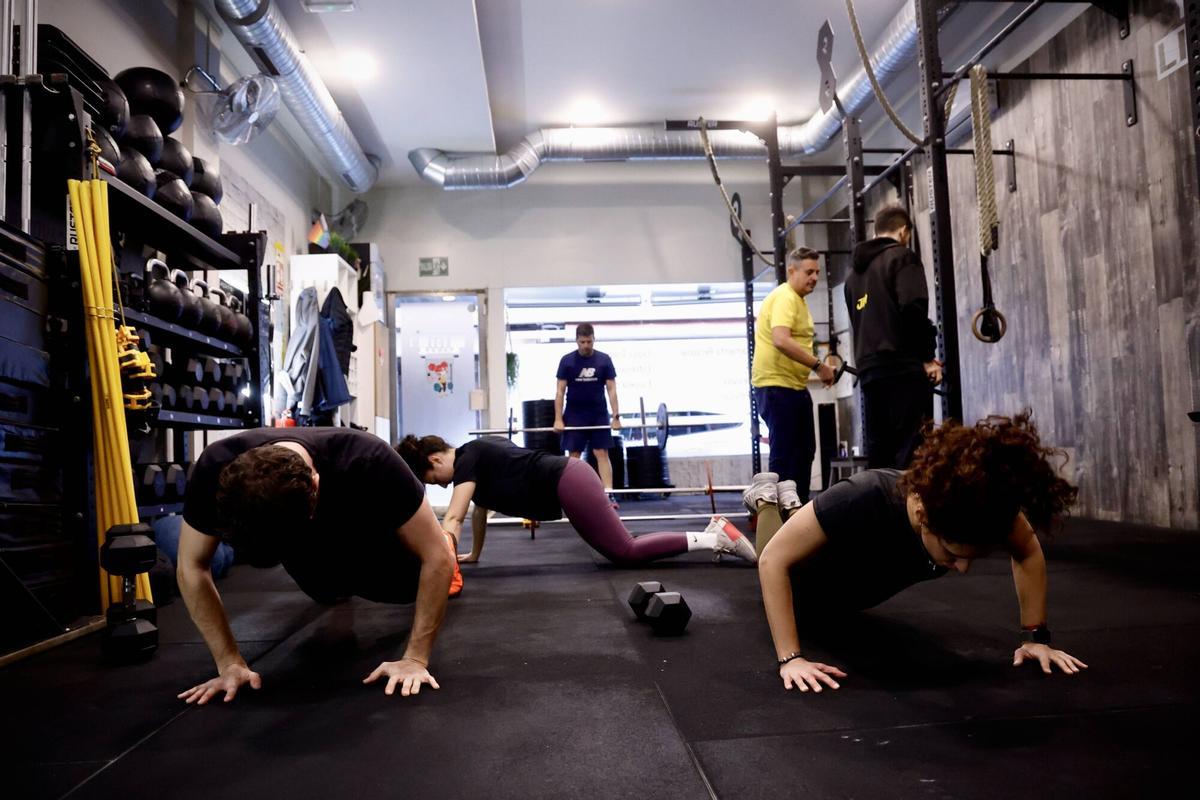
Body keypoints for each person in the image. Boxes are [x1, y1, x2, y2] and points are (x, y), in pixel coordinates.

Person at [757, 412, 1088, 693]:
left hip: (848, 589)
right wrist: (791, 658)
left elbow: (1027, 549)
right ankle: (765, 499)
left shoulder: (978, 506)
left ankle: (794, 505)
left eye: (973, 557)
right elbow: (774, 561)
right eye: (952, 553)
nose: (962, 568)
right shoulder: (863, 496)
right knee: (766, 550)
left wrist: (1035, 638)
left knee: (806, 528)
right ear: (921, 515)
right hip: (805, 587)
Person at [174, 428, 456, 705]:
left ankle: (446, 535)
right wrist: (228, 663)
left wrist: (415, 659)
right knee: (324, 590)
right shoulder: (214, 468)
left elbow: (436, 558)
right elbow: (192, 566)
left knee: (412, 582)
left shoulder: (369, 460)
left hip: (375, 534)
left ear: (317, 483)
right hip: (311, 552)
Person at [396, 434, 758, 566]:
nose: (441, 487)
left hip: (570, 481)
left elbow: (455, 517)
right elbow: (478, 510)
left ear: (436, 460)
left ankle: (715, 537)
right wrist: (473, 555)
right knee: (622, 549)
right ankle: (713, 533)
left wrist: (440, 556)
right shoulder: (473, 462)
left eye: (433, 480)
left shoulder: (468, 457)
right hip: (572, 481)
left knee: (626, 552)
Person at [844, 204, 944, 469]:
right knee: (914, 452)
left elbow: (859, 323)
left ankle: (883, 510)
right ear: (903, 231)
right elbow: (913, 310)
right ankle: (908, 511)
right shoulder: (903, 257)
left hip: (870, 373)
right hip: (903, 369)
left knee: (881, 454)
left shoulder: (853, 276)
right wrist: (927, 358)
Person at [751, 247, 836, 513]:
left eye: (817, 273)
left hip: (794, 387)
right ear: (792, 271)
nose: (814, 277)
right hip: (776, 387)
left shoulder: (798, 300)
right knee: (785, 456)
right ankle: (775, 521)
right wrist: (819, 365)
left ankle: (797, 515)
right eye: (809, 272)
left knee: (804, 452)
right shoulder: (785, 298)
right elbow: (780, 339)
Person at [554, 323, 620, 495]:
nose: (585, 346)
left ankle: (609, 495)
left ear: (593, 339)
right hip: (575, 414)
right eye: (582, 342)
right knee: (574, 456)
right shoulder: (567, 361)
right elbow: (560, 392)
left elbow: (611, 390)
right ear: (576, 341)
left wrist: (616, 417)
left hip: (598, 414)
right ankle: (573, 495)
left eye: (589, 342)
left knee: (601, 453)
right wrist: (558, 419)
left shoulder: (604, 360)